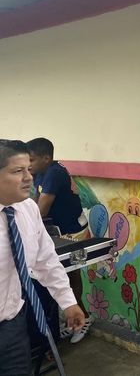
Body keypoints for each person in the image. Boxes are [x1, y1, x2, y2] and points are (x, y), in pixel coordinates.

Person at [0, 139, 85, 375]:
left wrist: (68, 302)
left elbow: (46, 260)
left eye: (29, 169)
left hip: (12, 324)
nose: (29, 177)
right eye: (18, 171)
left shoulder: (28, 210)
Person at [27, 137, 93, 344]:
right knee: (62, 275)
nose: (28, 164)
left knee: (70, 276)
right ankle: (71, 320)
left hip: (73, 232)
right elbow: (34, 204)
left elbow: (40, 210)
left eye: (31, 160)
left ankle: (84, 319)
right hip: (58, 231)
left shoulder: (54, 173)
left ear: (46, 158)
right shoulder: (39, 172)